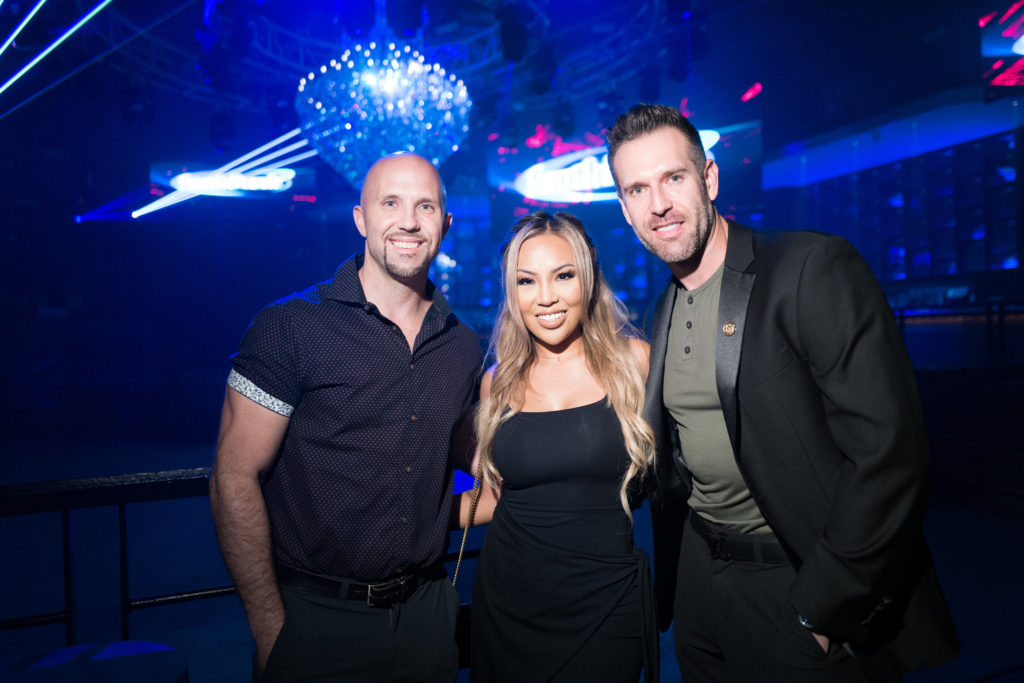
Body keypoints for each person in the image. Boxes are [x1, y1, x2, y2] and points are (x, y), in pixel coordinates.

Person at [605, 103, 960, 682]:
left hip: (795, 586)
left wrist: (822, 607)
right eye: (637, 189)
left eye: (673, 178)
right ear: (624, 208)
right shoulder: (662, 309)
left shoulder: (808, 268)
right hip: (701, 586)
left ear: (710, 178)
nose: (659, 204)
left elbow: (891, 456)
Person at [209, 152, 482, 682]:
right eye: (391, 203)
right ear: (361, 218)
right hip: (315, 618)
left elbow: (458, 464)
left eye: (425, 206)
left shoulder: (462, 346)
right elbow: (232, 478)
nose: (408, 221)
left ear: (445, 224)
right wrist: (271, 629)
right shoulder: (290, 327)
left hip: (426, 616)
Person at [466, 211, 658, 683]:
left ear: (588, 280)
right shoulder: (497, 382)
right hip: (509, 606)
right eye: (527, 281)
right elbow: (490, 497)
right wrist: (403, 522)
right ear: (512, 294)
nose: (546, 297)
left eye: (563, 275)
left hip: (605, 603)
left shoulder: (636, 364)